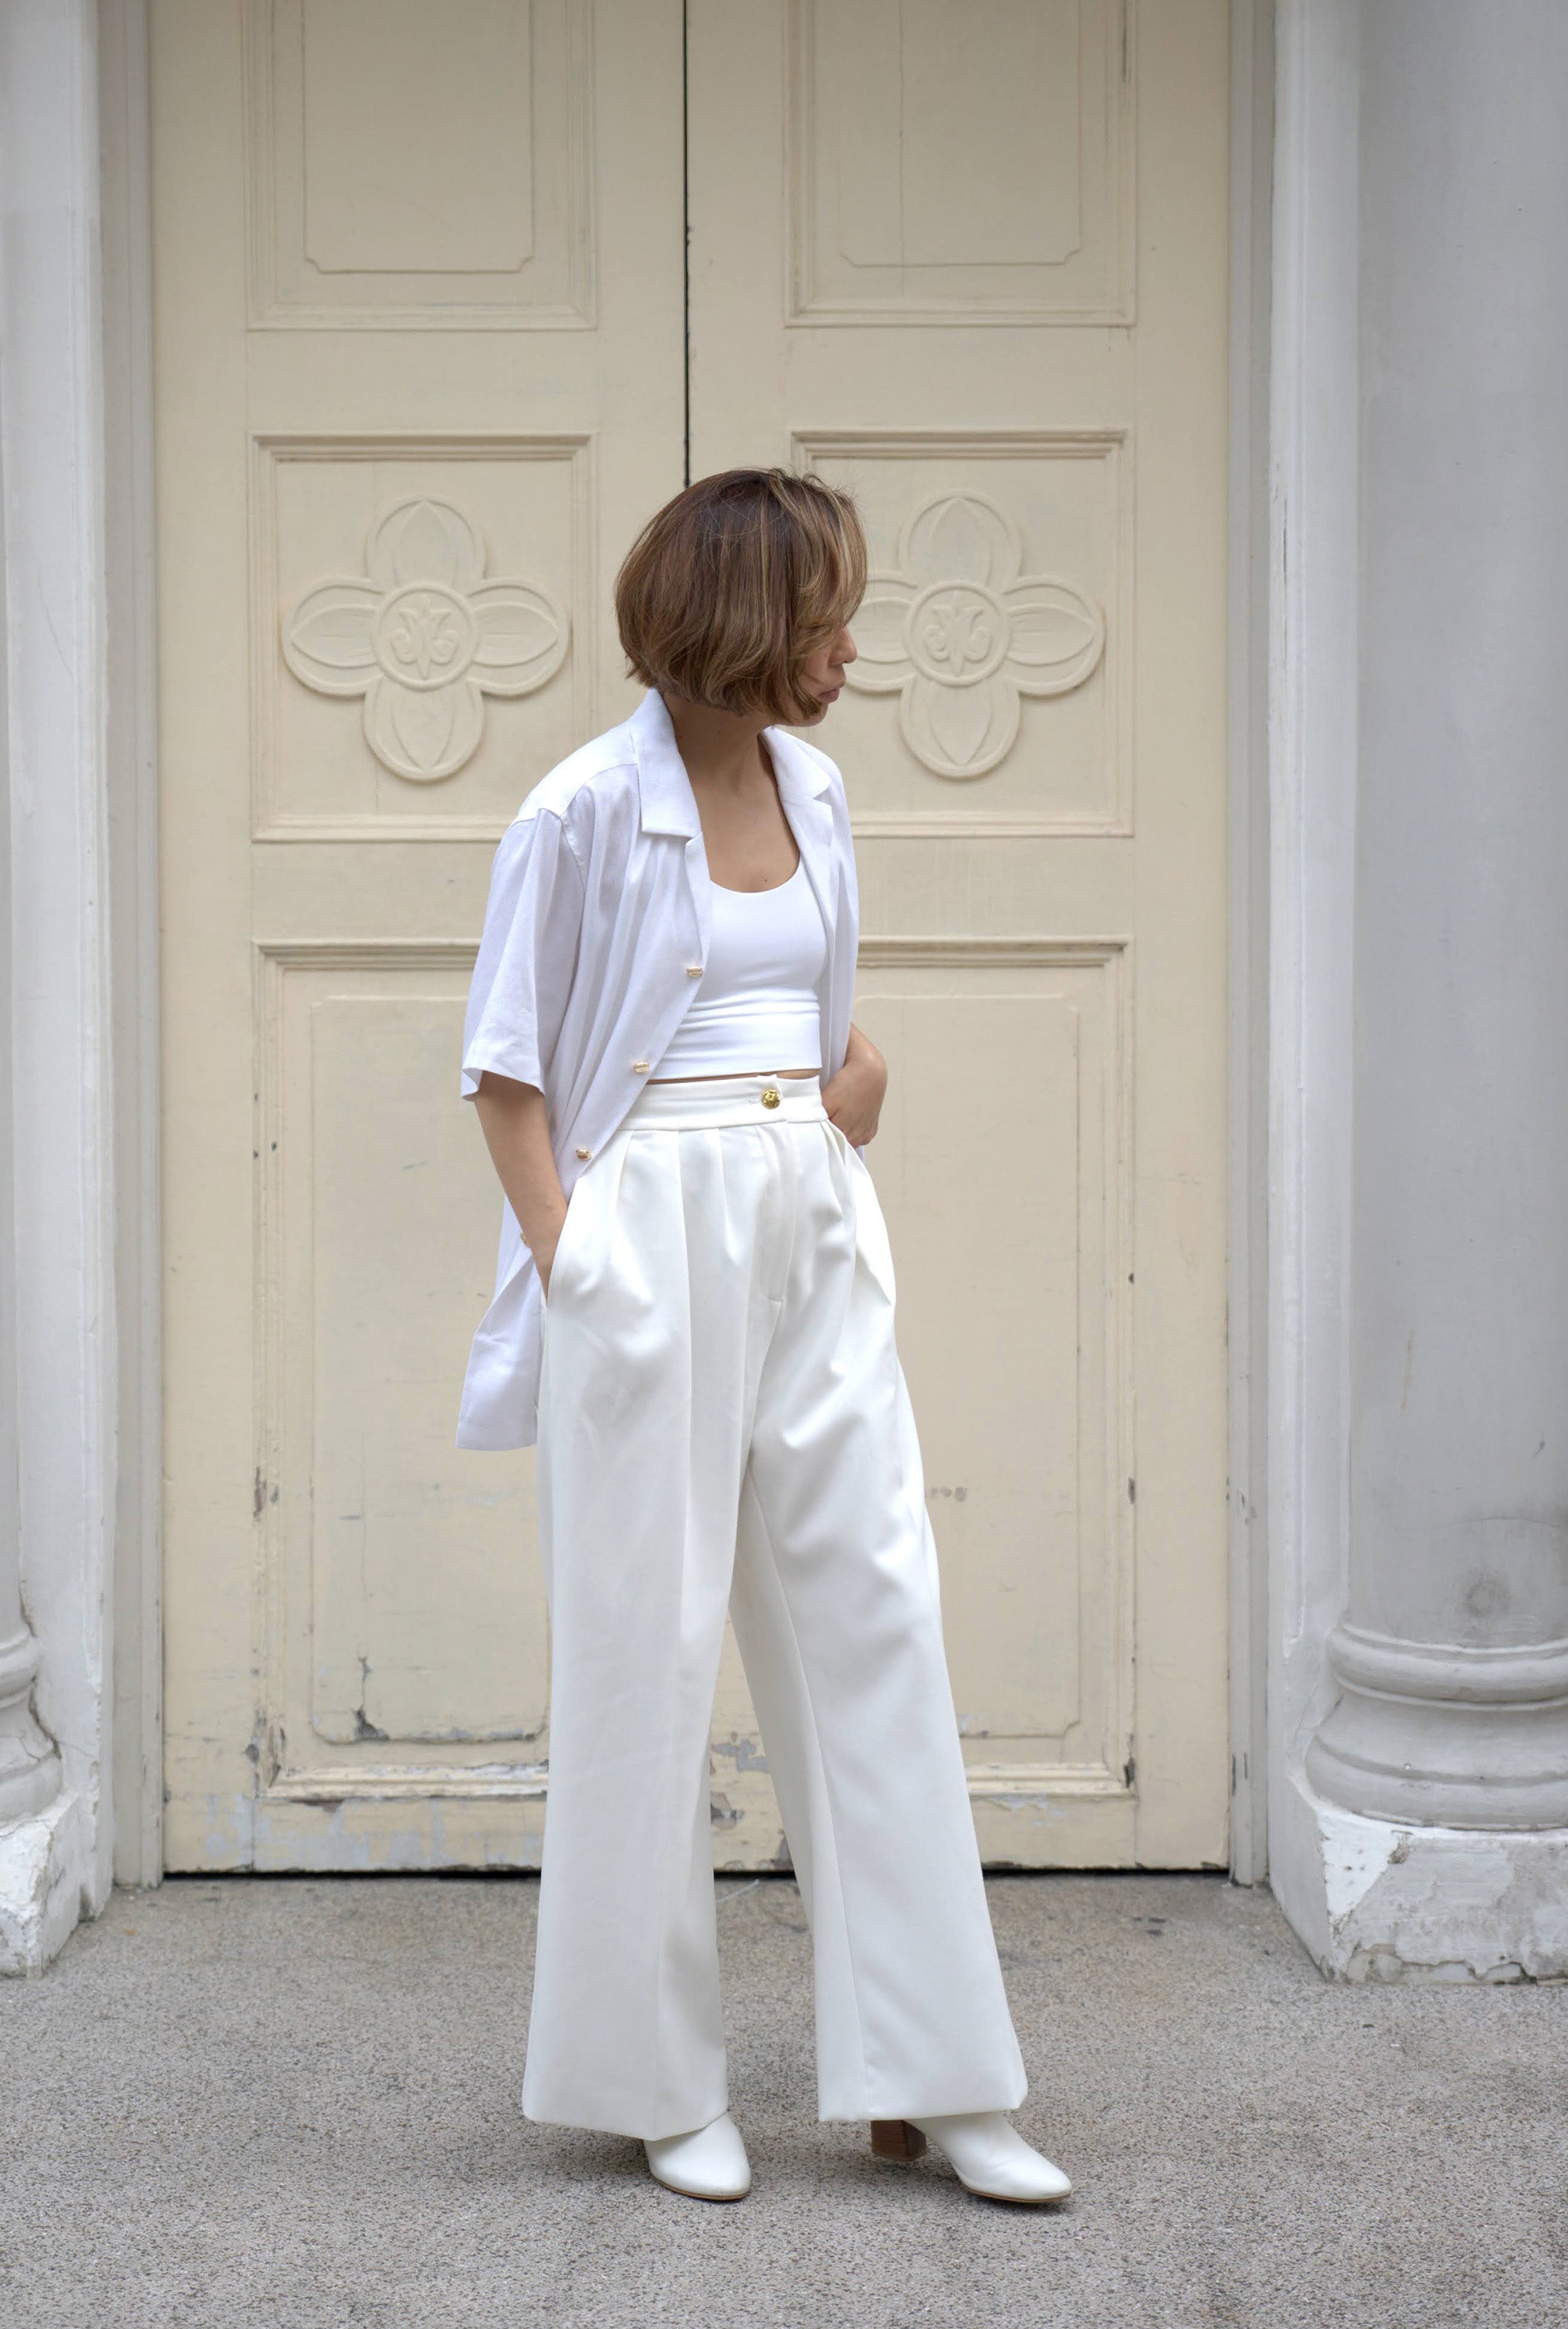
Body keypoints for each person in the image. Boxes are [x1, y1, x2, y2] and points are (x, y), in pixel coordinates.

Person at [458, 469, 1070, 2208]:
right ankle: (657, 2085)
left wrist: (854, 1089)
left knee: (876, 1617)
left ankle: (936, 2077)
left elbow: (811, 1018)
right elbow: (507, 1079)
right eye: (827, 619)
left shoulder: (821, 788)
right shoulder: (575, 812)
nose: (850, 651)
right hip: (648, 1243)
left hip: (809, 1228)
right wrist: (581, 1265)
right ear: (742, 624)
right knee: (646, 1653)